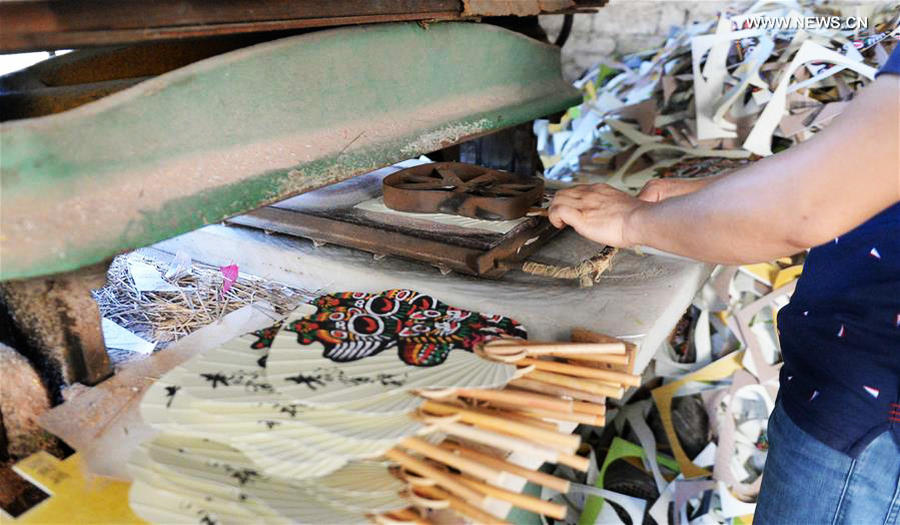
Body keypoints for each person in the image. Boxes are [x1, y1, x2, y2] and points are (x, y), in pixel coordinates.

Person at [548, 46, 900, 524]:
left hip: (872, 432)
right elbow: (870, 174)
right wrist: (728, 195)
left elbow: (809, 206)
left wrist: (633, 221)